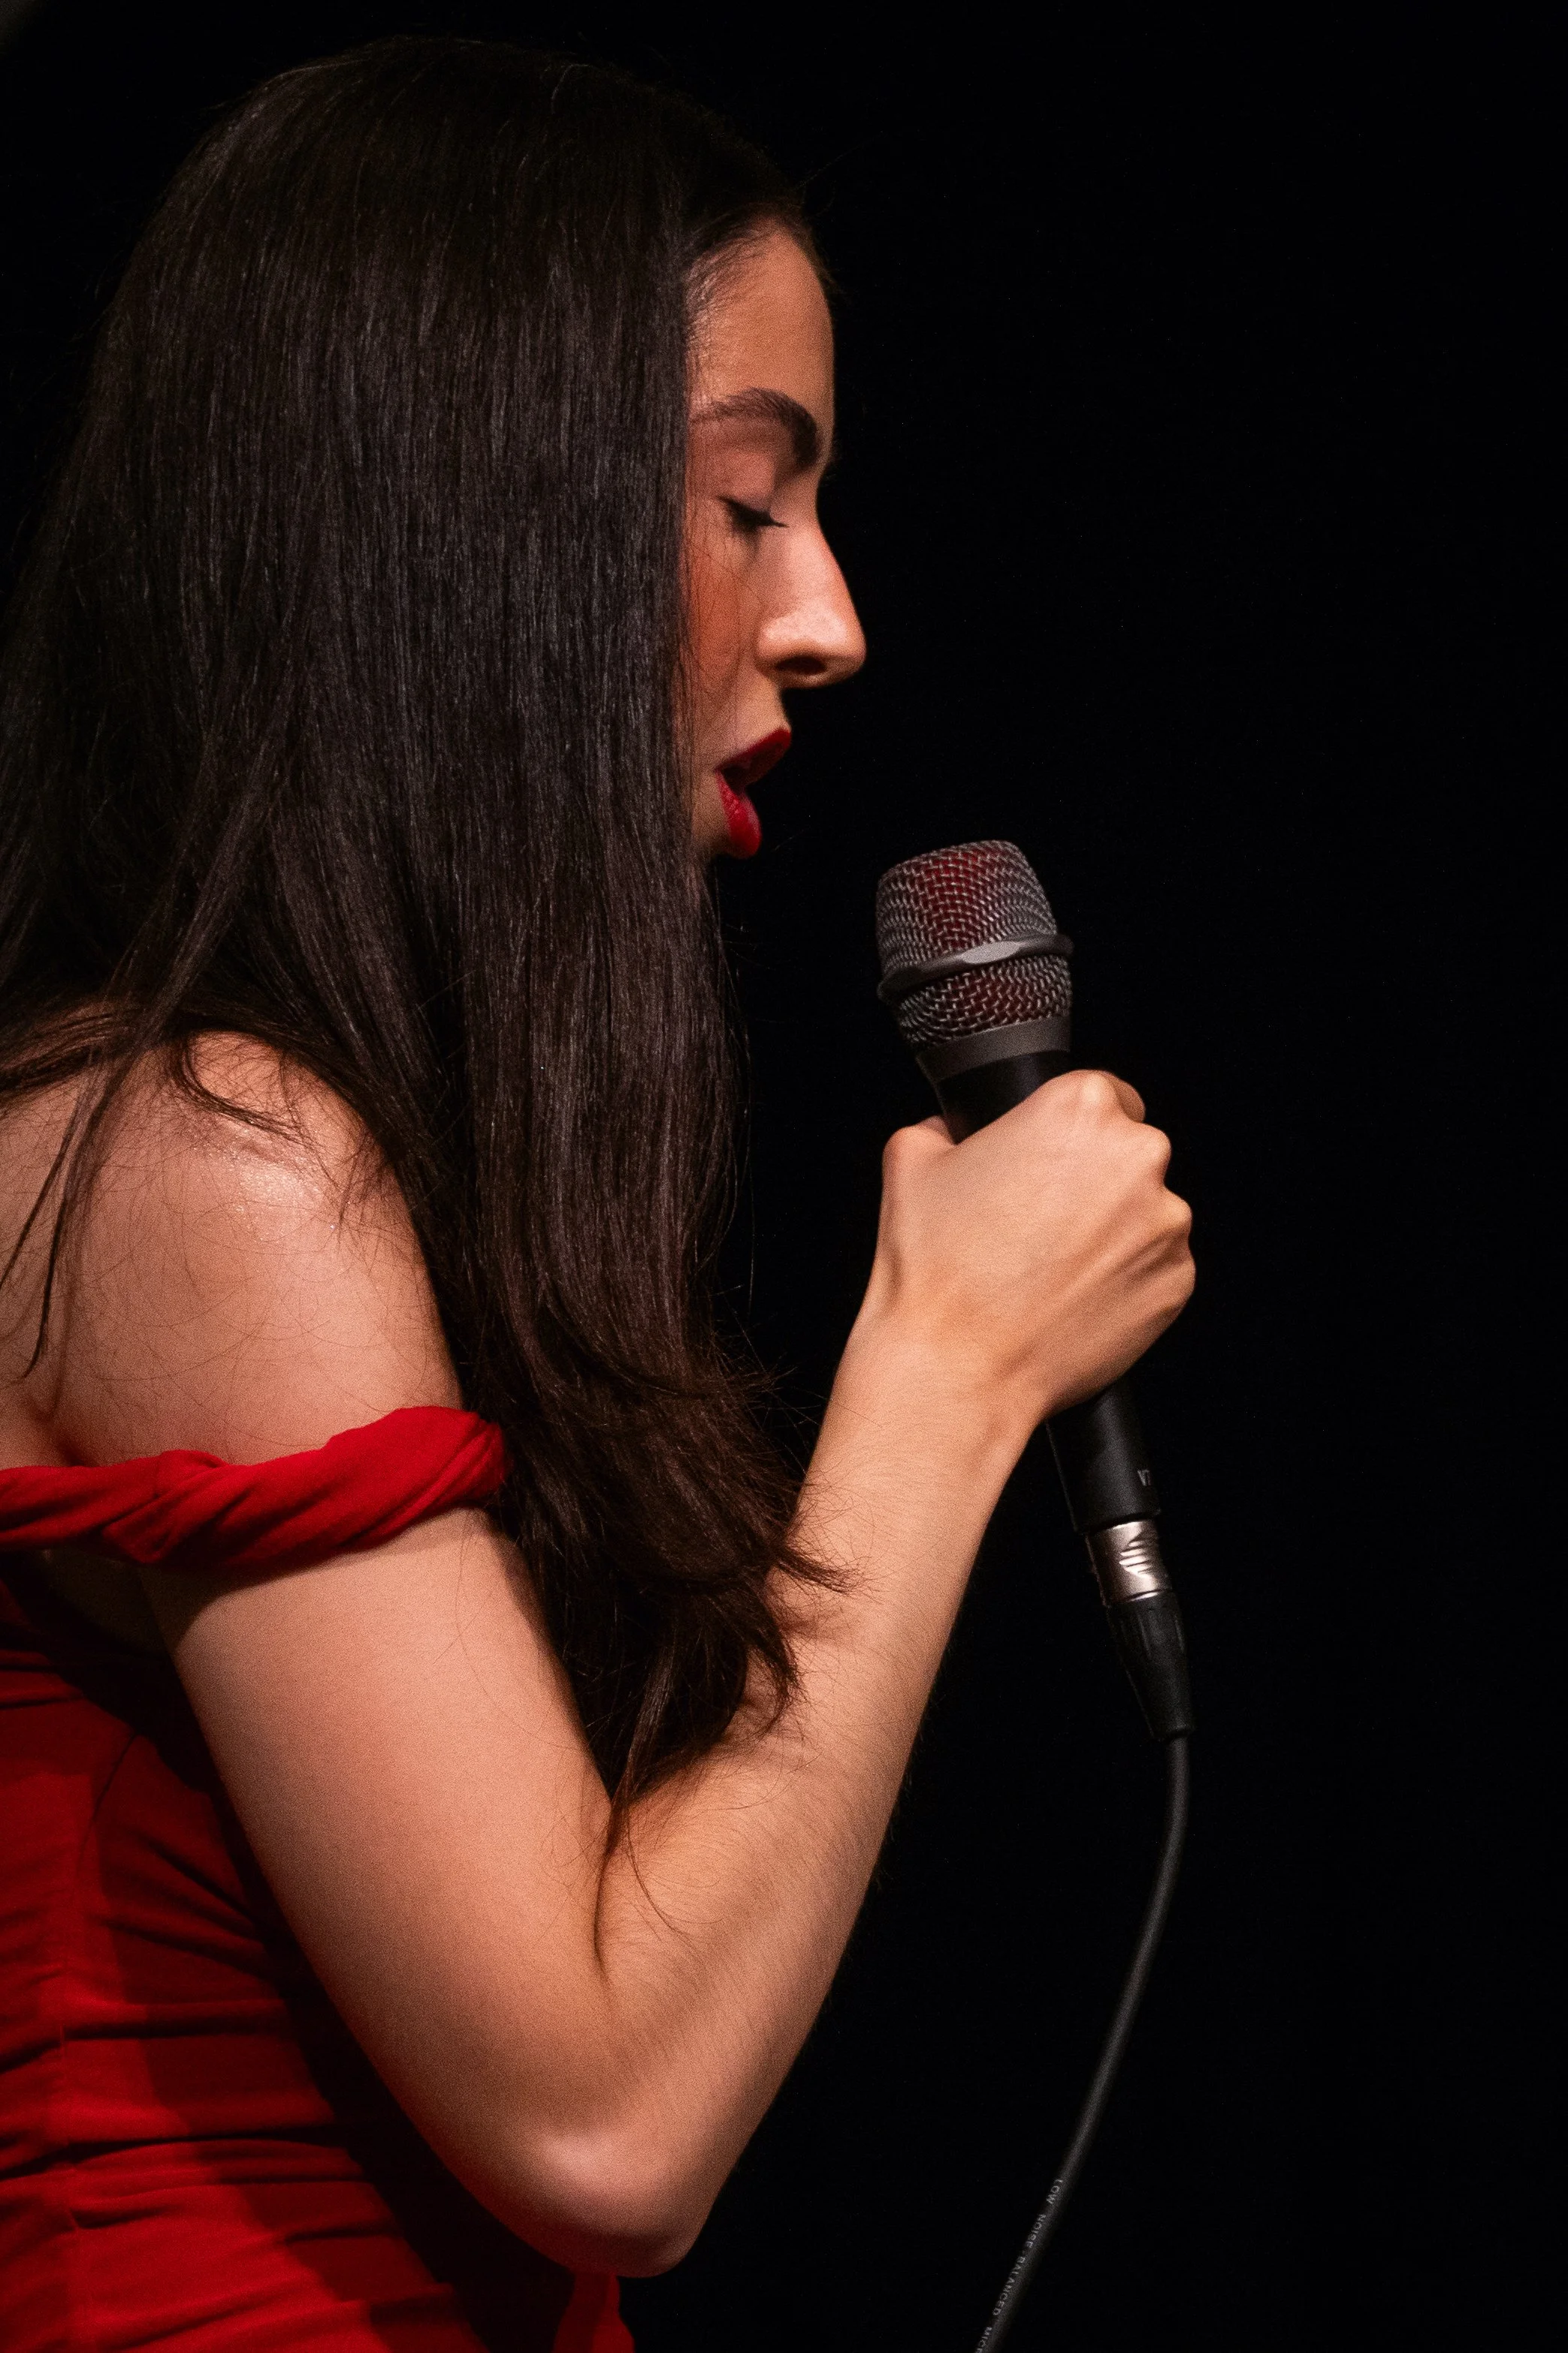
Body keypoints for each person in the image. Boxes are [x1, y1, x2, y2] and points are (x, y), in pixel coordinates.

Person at [0, 37, 1194, 2353]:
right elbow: (607, 2120)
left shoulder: (235, 1133)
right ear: (465, 526)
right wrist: (942, 1367)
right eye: (748, 507)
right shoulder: (204, 1156)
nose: (826, 617)